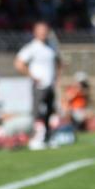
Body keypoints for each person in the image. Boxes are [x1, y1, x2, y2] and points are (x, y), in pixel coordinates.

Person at [15, 21, 60, 150]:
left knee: (50, 113)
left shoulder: (52, 46)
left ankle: (49, 137)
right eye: (40, 30)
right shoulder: (32, 47)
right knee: (38, 112)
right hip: (39, 86)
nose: (43, 33)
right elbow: (19, 63)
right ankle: (35, 138)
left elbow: (59, 62)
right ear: (35, 32)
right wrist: (32, 76)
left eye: (45, 30)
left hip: (50, 85)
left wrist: (56, 78)